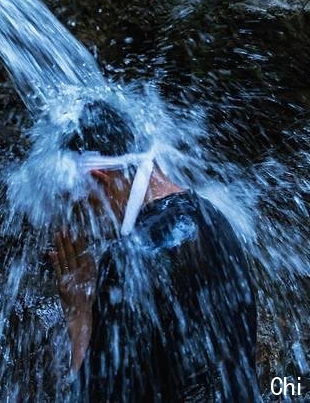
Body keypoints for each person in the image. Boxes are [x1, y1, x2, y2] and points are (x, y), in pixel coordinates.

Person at [49, 101, 259, 402]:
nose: (81, 220)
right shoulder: (215, 219)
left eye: (78, 201)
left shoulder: (130, 257)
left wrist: (80, 315)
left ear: (99, 179)